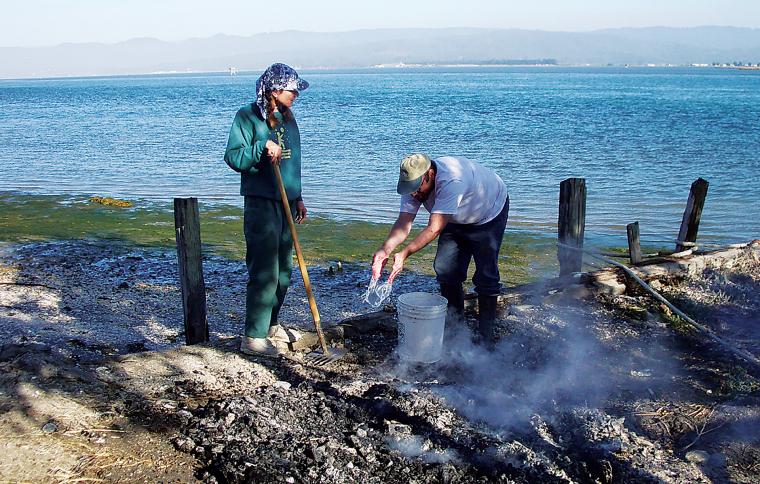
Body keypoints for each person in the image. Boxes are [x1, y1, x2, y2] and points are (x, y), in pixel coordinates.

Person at [372, 154, 509, 344]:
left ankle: (486, 335)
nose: (414, 195)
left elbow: (434, 228)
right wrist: (384, 250)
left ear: (430, 175)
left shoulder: (451, 181)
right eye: (410, 190)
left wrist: (404, 254)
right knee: (445, 269)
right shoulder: (412, 183)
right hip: (453, 217)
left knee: (486, 274)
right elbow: (404, 222)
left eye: (417, 189)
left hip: (488, 212)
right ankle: (456, 329)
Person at [224, 63, 309, 356]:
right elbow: (233, 156)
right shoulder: (247, 116)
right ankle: (253, 337)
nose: (296, 94)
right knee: (265, 270)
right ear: (274, 90)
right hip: (261, 201)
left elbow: (292, 159)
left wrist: (298, 195)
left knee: (285, 270)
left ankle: (271, 324)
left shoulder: (287, 117)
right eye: (291, 90)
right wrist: (261, 146)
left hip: (286, 201)